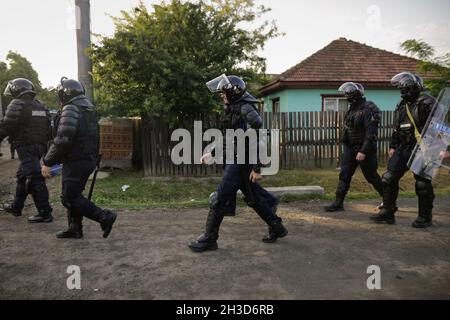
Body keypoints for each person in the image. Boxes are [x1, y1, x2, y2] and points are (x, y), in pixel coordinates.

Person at [189, 75, 288, 253]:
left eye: (224, 93)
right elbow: (228, 138)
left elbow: (256, 136)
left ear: (233, 93)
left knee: (219, 198)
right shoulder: (232, 109)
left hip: (240, 162)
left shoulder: (244, 108)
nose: (221, 96)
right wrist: (211, 153)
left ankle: (210, 239)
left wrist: (257, 168)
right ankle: (277, 227)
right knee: (254, 199)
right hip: (236, 160)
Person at [41, 77, 116, 239]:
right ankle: (75, 228)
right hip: (87, 158)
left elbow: (63, 139)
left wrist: (47, 162)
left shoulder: (71, 108)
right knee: (74, 194)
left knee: (68, 197)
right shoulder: (87, 108)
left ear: (64, 94)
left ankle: (104, 216)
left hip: (76, 160)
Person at [371, 72, 436, 228]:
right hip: (403, 148)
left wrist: (443, 147)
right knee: (388, 178)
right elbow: (397, 128)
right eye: (400, 86)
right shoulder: (401, 105)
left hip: (422, 149)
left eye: (404, 85)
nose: (401, 89)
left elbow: (441, 126)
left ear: (414, 86)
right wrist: (393, 146)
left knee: (422, 184)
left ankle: (425, 217)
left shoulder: (428, 102)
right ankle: (387, 212)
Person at [0, 78, 53, 223]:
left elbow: (6, 127)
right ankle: (16, 207)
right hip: (40, 147)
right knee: (22, 176)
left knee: (35, 178)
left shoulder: (17, 103)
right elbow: (50, 129)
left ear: (16, 89)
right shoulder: (40, 105)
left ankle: (45, 213)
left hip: (25, 146)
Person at [324, 82, 383, 212]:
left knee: (371, 176)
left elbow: (371, 132)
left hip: (365, 150)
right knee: (344, 175)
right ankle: (338, 202)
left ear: (357, 93)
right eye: (346, 92)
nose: (346, 94)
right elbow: (348, 129)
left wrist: (363, 150)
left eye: (349, 92)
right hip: (350, 148)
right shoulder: (352, 109)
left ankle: (388, 200)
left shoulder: (369, 108)